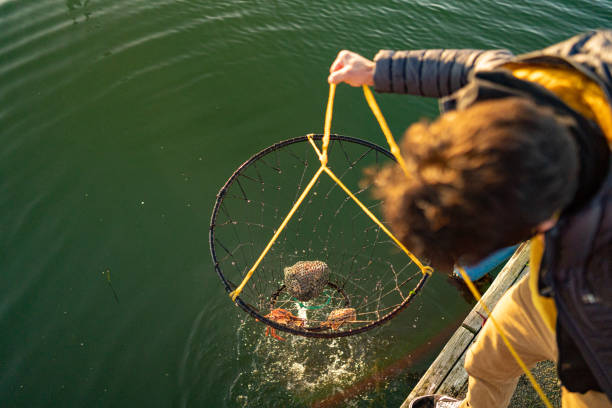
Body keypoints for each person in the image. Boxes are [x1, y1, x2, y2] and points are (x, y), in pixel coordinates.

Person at [328, 30, 612, 408]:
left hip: (595, 350)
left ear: (542, 222)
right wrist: (378, 70)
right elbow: (470, 66)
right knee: (485, 362)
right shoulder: (525, 85)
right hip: (544, 293)